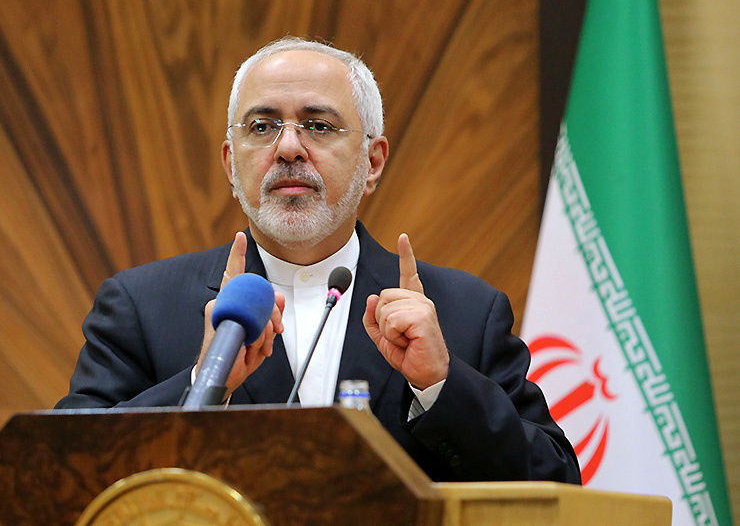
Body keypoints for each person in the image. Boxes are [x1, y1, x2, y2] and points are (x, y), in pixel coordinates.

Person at [56, 37, 581, 484]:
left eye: (319, 125)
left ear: (372, 161)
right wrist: (203, 382)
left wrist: (440, 386)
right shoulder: (142, 306)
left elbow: (556, 483)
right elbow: (62, 475)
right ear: (231, 164)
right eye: (261, 126)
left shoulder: (465, 312)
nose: (288, 148)